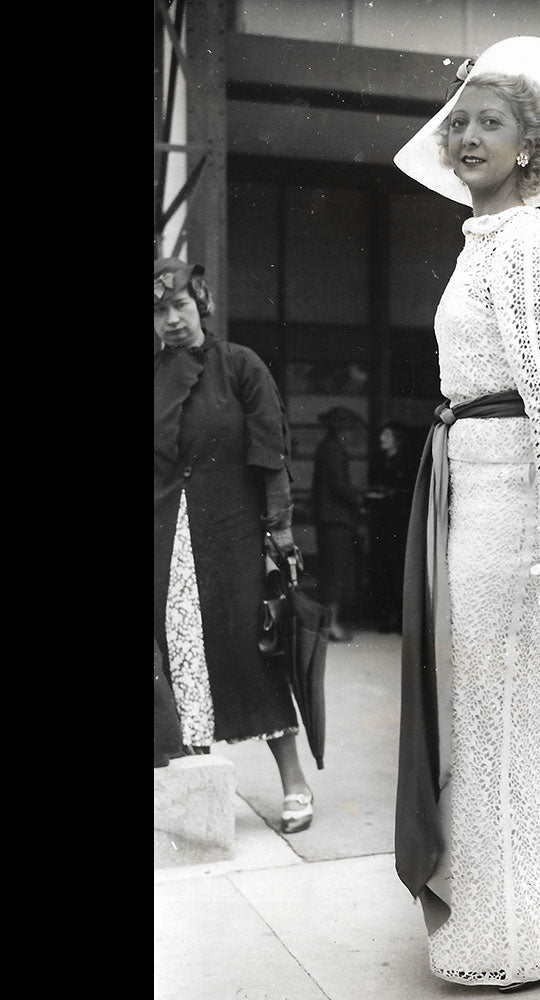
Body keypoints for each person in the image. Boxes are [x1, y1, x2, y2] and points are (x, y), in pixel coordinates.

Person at [392, 36, 540, 992]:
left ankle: (518, 928)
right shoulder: (481, 243)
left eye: (490, 122)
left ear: (528, 145)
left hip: (510, 500)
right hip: (463, 486)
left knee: (498, 709)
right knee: (472, 710)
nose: (467, 134)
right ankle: (492, 912)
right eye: (459, 120)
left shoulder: (527, 241)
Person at [153, 257, 315, 834]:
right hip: (167, 542)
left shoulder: (239, 365)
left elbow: (271, 452)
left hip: (234, 535)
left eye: (179, 306)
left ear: (200, 304)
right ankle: (197, 792)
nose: (171, 320)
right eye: (158, 311)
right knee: (179, 662)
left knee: (252, 652)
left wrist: (282, 530)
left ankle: (293, 782)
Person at [312, 406, 363, 641]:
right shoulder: (333, 449)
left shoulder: (328, 447)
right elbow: (338, 485)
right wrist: (358, 498)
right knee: (334, 574)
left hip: (329, 518)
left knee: (332, 572)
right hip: (335, 518)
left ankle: (330, 624)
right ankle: (330, 625)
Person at [364, 423, 414, 633]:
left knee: (399, 570)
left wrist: (389, 494)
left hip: (399, 523)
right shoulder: (378, 461)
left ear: (397, 438)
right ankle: (387, 617)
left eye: (387, 434)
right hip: (381, 523)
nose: (382, 438)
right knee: (382, 569)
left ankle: (402, 619)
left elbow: (407, 491)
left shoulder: (406, 462)